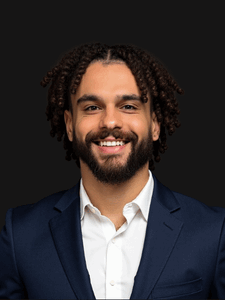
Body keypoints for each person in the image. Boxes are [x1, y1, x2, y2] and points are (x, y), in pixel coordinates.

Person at [0, 42, 224, 299]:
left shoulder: (214, 233)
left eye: (128, 106)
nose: (109, 121)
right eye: (92, 107)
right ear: (70, 125)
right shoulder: (21, 235)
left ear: (155, 124)